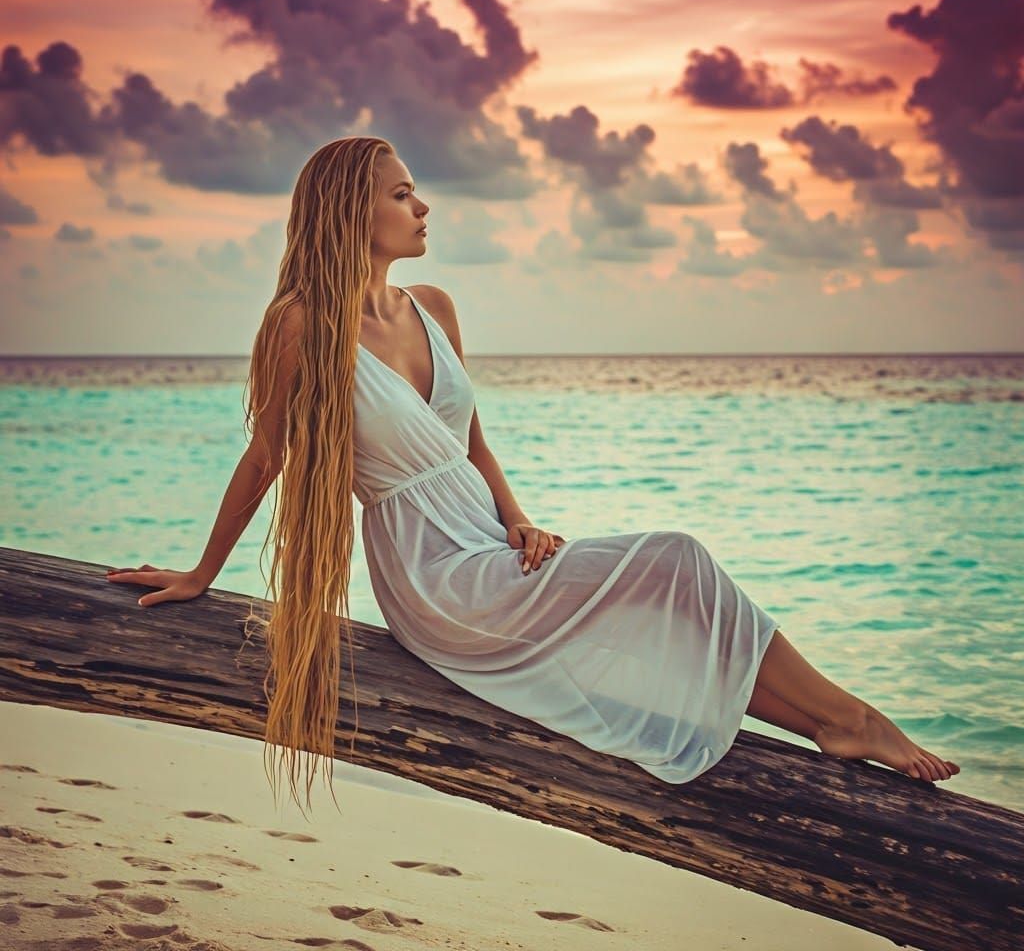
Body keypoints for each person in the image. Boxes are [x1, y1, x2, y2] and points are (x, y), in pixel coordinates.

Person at [106, 136, 960, 813]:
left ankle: (829, 725)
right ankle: (846, 718)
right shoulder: (300, 323)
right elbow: (267, 455)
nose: (422, 203)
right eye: (401, 192)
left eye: (413, 190)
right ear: (349, 210)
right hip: (434, 579)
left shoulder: (433, 308)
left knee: (668, 591)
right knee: (676, 559)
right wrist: (203, 572)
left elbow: (473, 445)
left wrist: (518, 520)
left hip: (489, 548)